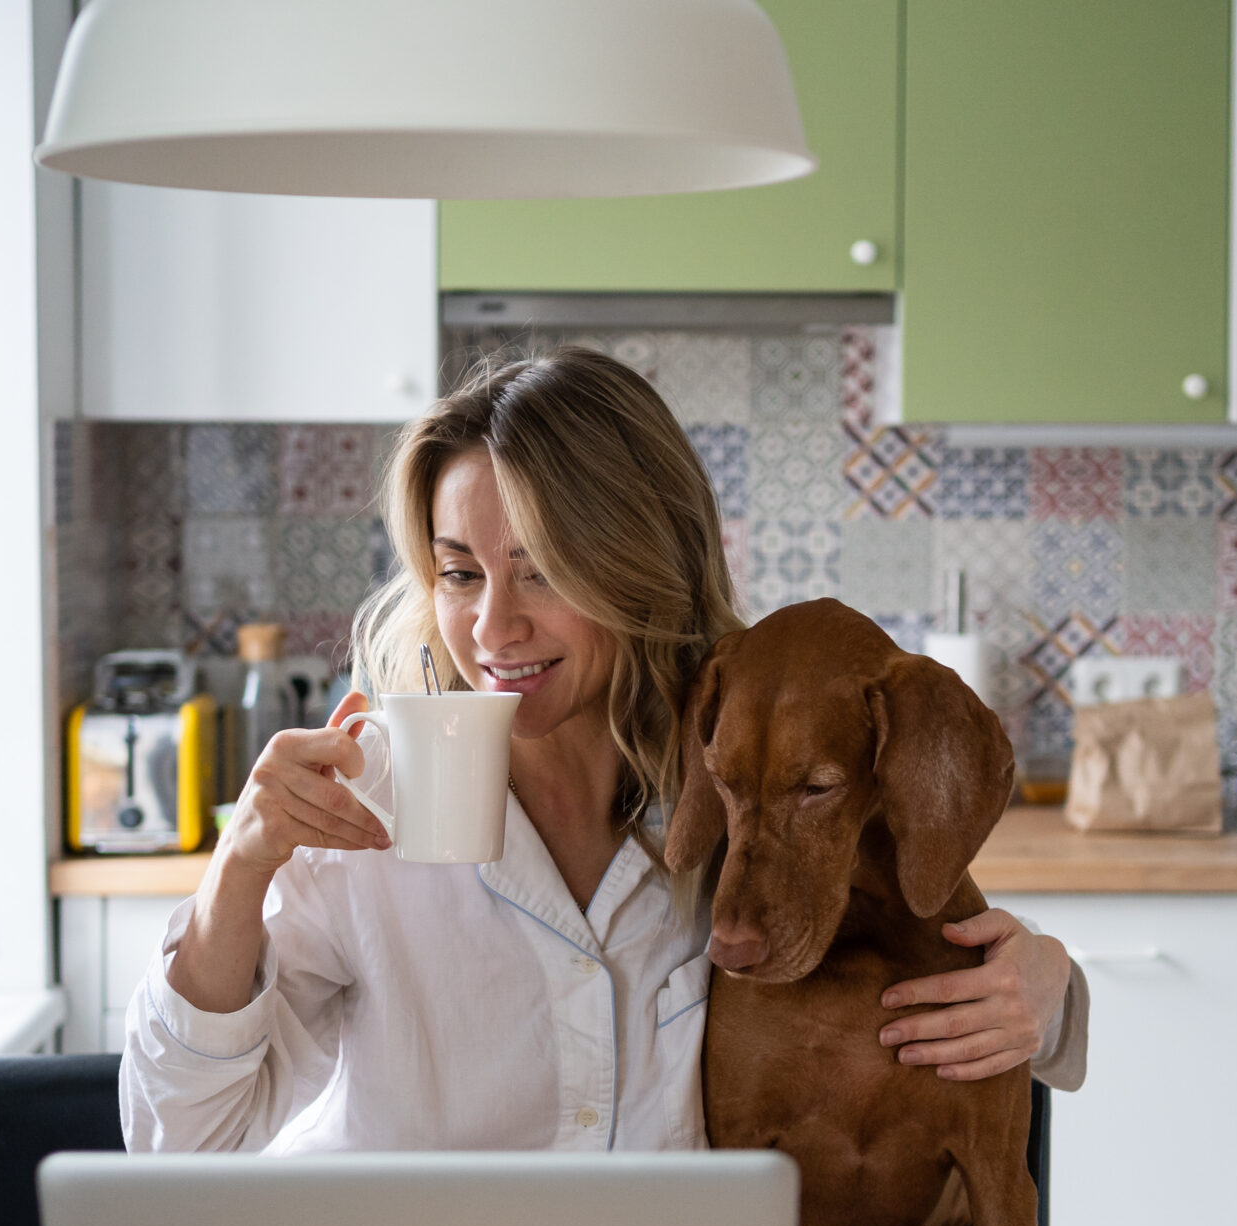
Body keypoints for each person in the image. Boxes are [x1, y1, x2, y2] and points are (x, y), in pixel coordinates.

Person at [121, 347, 1085, 1163]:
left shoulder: (742, 781)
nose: (493, 627)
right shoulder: (364, 796)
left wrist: (1052, 989)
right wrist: (237, 872)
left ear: (641, 565)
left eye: (542, 570)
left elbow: (934, 955)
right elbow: (182, 1137)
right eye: (460, 573)